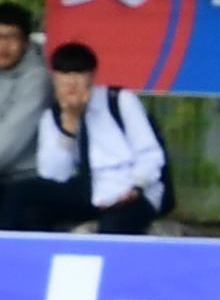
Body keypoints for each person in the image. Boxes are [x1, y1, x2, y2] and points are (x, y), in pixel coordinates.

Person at [6, 44, 167, 233]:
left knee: (113, 227)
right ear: (55, 78)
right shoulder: (52, 115)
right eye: (64, 74)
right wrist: (69, 126)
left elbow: (150, 153)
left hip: (132, 190)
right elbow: (54, 174)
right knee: (19, 195)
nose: (71, 82)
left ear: (91, 76)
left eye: (79, 74)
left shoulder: (118, 100)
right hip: (89, 189)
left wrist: (137, 186)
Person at [0, 3, 48, 199]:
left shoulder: (37, 78)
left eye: (12, 37)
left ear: (26, 42)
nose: (4, 45)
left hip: (24, 178)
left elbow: (9, 138)